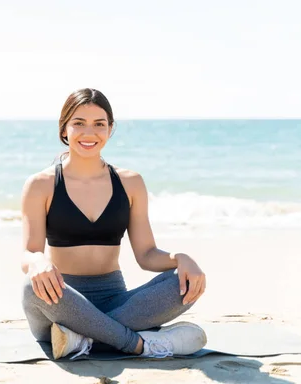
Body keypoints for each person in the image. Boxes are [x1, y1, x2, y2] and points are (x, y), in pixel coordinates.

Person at [20, 88, 207, 360]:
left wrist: (181, 259)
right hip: (60, 301)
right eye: (79, 123)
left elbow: (146, 255)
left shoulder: (130, 182)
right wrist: (37, 262)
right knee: (30, 287)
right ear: (64, 129)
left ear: (110, 129)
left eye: (99, 124)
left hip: (116, 300)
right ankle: (139, 344)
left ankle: (80, 338)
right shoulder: (40, 184)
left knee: (184, 282)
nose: (89, 133)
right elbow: (29, 252)